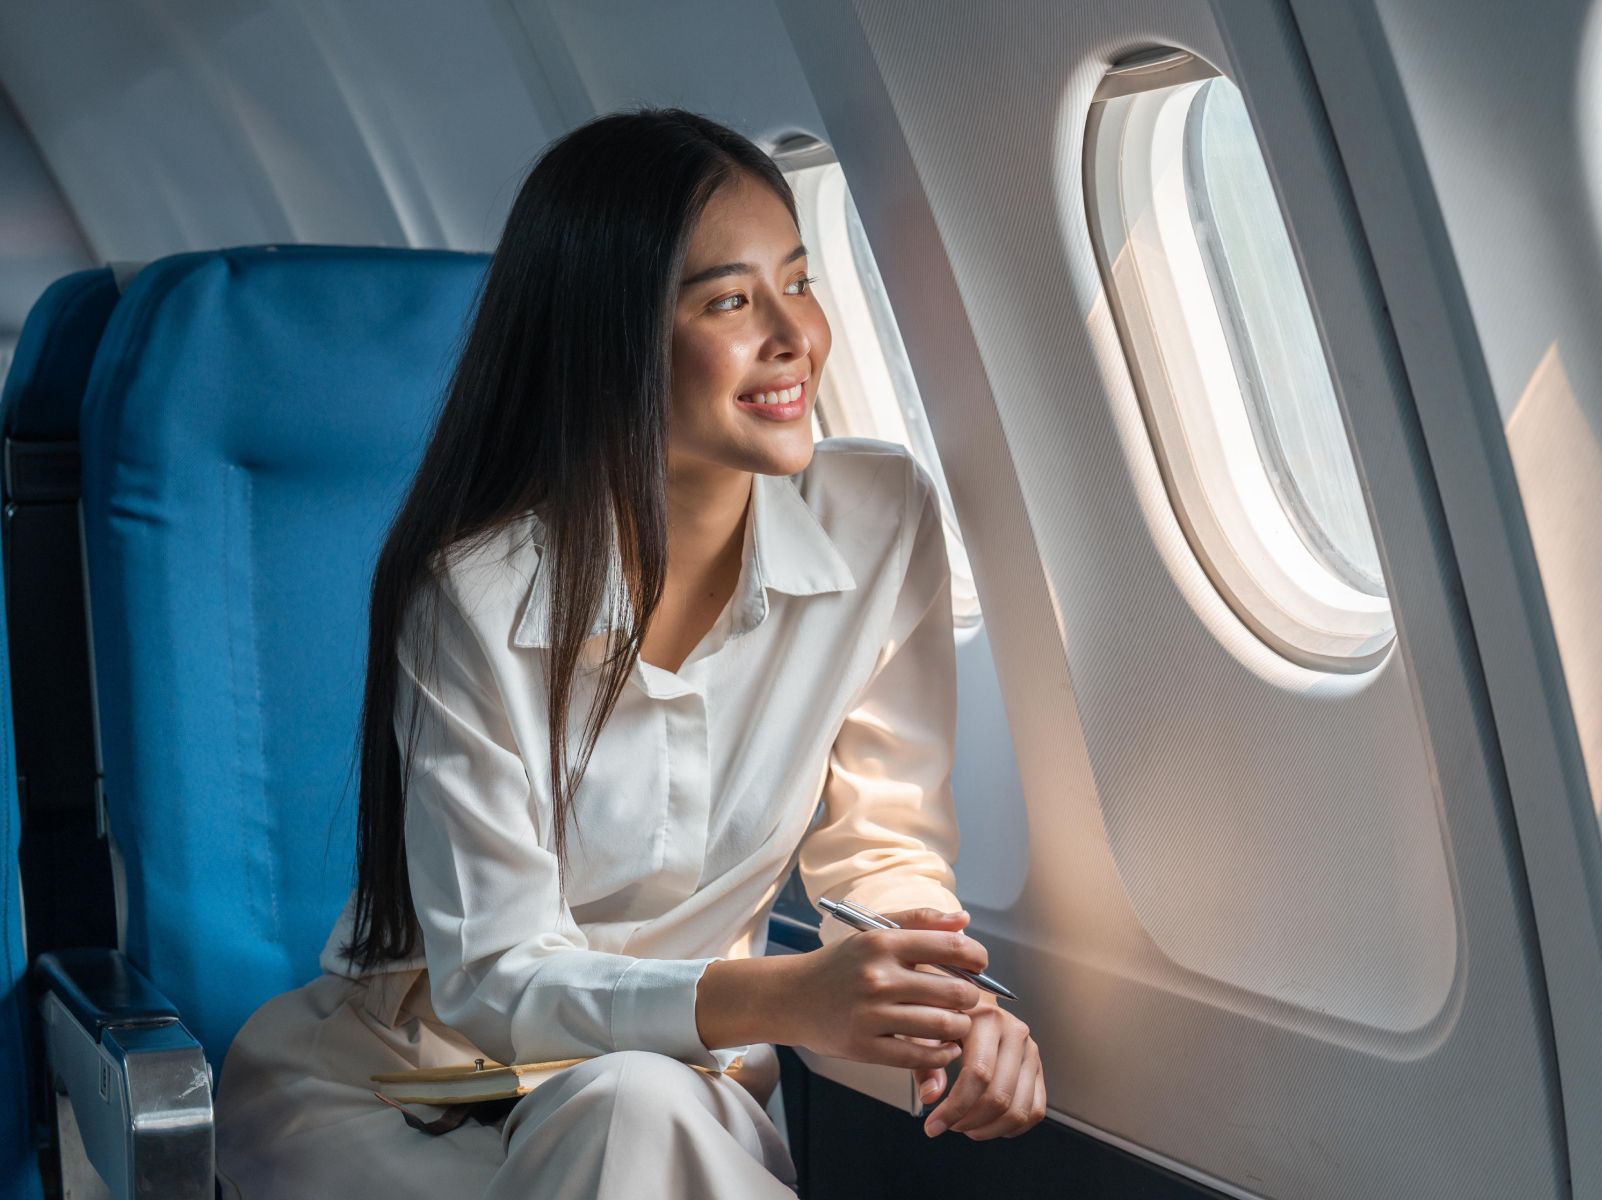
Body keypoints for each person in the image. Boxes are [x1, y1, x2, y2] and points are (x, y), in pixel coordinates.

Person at [212, 108, 1045, 1198]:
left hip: (676, 1089)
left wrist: (949, 1009)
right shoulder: (471, 599)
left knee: (638, 1107)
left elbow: (882, 848)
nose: (795, 337)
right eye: (730, 302)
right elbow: (496, 976)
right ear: (613, 340)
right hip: (416, 1096)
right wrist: (782, 1000)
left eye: (797, 282)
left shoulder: (881, 521)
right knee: (632, 1110)